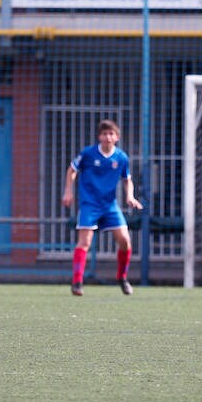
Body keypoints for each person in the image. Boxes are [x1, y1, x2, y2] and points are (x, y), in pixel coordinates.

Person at [61, 119, 143, 296]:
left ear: (117, 137)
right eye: (104, 134)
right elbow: (72, 170)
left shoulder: (121, 157)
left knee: (125, 241)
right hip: (90, 204)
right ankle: (77, 282)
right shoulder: (88, 154)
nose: (107, 137)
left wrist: (130, 196)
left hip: (110, 205)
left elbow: (127, 179)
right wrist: (68, 191)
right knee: (85, 242)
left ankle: (122, 278)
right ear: (99, 136)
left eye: (111, 134)